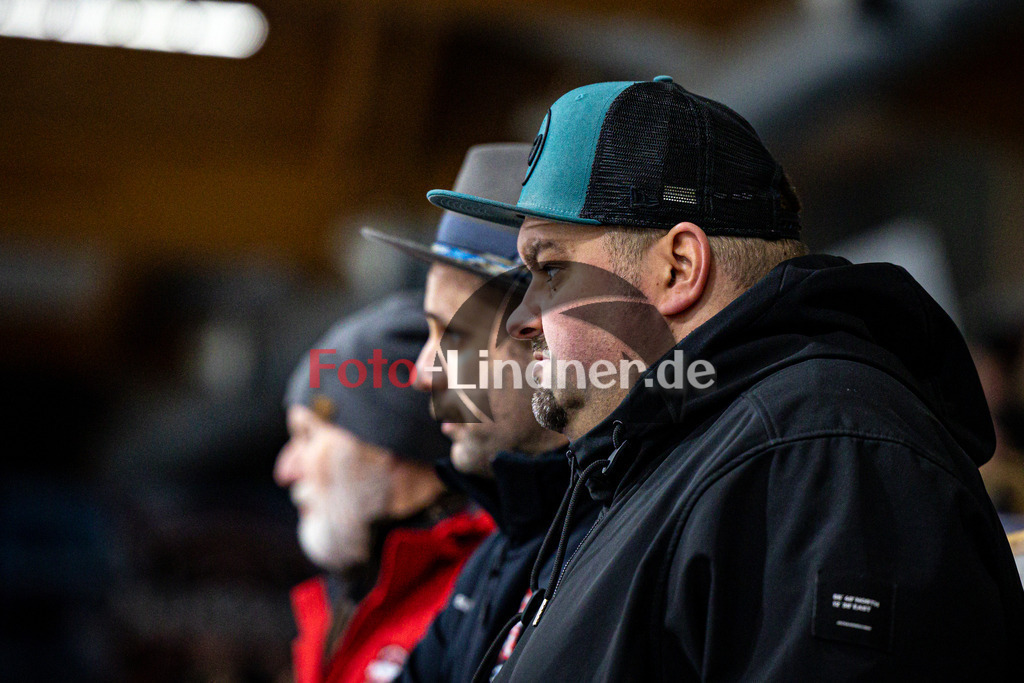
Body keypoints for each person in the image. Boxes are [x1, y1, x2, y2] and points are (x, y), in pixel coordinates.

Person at [427, 77, 1024, 680]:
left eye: (550, 269)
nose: (522, 318)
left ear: (679, 268)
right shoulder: (691, 455)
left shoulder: (817, 461)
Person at [363, 143, 583, 683]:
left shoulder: (615, 543)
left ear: (544, 335)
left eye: (451, 333)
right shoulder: (493, 560)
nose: (422, 372)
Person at [275, 292, 494, 683]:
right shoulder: (349, 594)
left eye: (307, 435)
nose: (285, 470)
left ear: (386, 443)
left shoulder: (480, 592)